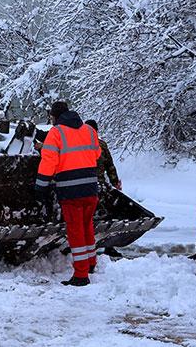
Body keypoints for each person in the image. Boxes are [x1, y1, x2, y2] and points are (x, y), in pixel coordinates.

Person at [36, 103, 103, 286]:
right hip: (91, 188)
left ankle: (81, 275)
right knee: (87, 225)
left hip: (70, 190)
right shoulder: (89, 130)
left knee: (75, 231)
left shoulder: (56, 133)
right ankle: (91, 263)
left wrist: (40, 186)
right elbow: (96, 153)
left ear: (55, 117)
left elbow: (48, 162)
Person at [85, 119, 124, 259]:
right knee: (105, 216)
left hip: (85, 186)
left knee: (88, 217)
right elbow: (110, 166)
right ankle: (108, 245)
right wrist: (114, 182)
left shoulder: (81, 145)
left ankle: (88, 246)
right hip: (100, 186)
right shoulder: (101, 145)